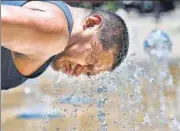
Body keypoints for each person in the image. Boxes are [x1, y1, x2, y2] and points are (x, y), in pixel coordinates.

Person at [1, 1, 129, 90]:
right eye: (90, 61)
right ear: (91, 23)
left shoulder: (54, 15)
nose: (79, 72)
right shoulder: (56, 32)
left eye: (88, 73)